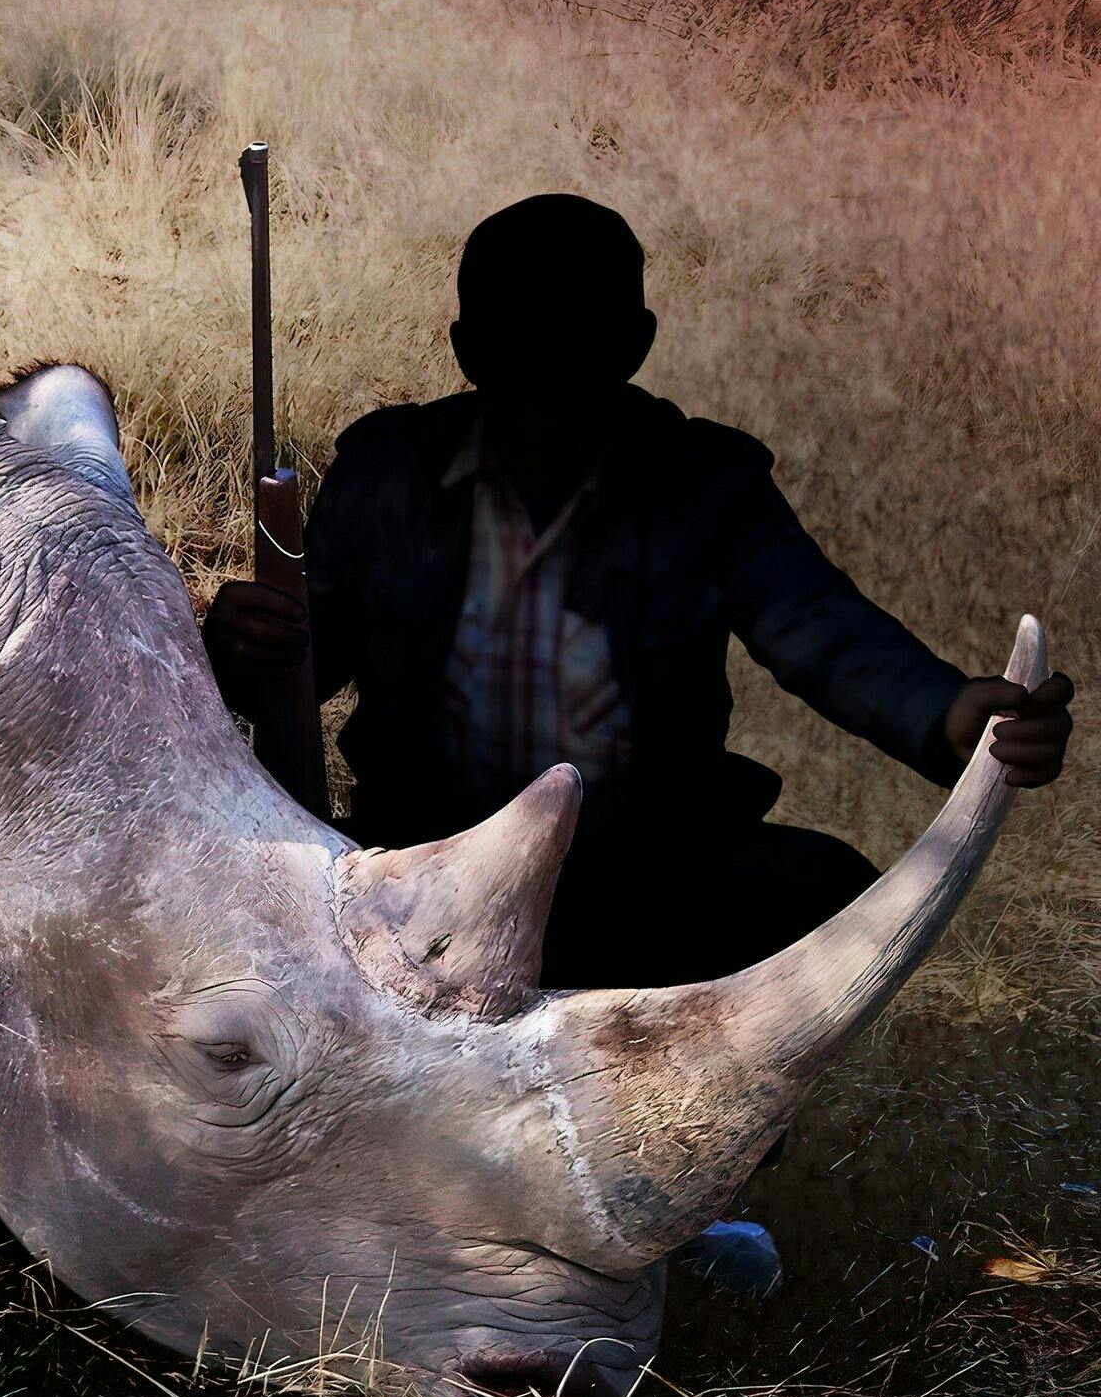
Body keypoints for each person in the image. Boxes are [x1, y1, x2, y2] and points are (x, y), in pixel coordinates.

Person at [205, 193, 1070, 996]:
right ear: (470, 351)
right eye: (519, 337)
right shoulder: (386, 471)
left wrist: (948, 713)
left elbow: (819, 629)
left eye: (577, 334)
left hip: (641, 867)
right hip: (426, 860)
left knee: (822, 890)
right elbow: (302, 660)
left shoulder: (705, 483)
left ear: (634, 344)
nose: (547, 366)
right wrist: (237, 649)